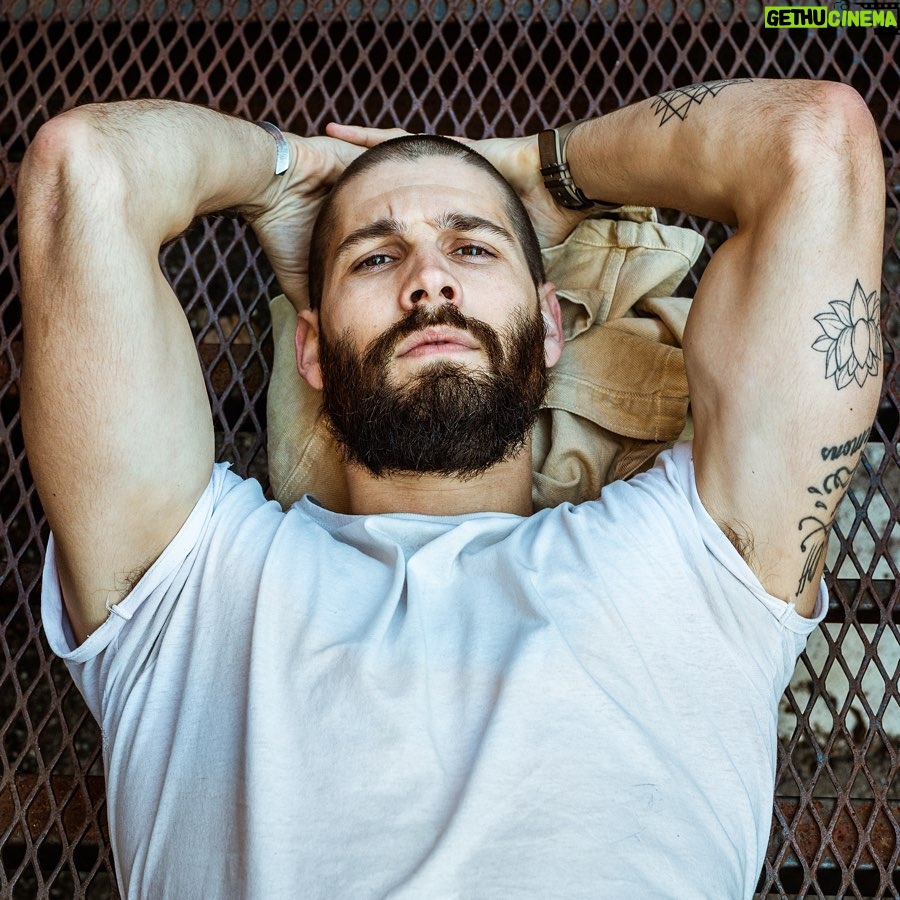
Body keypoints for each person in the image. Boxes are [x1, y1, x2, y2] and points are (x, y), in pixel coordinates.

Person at [17, 79, 883, 898]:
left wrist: (551, 170)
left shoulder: (699, 565)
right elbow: (84, 169)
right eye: (375, 257)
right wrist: (283, 176)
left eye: (471, 246)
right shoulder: (190, 587)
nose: (428, 279)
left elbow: (814, 142)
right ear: (309, 346)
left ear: (551, 324)